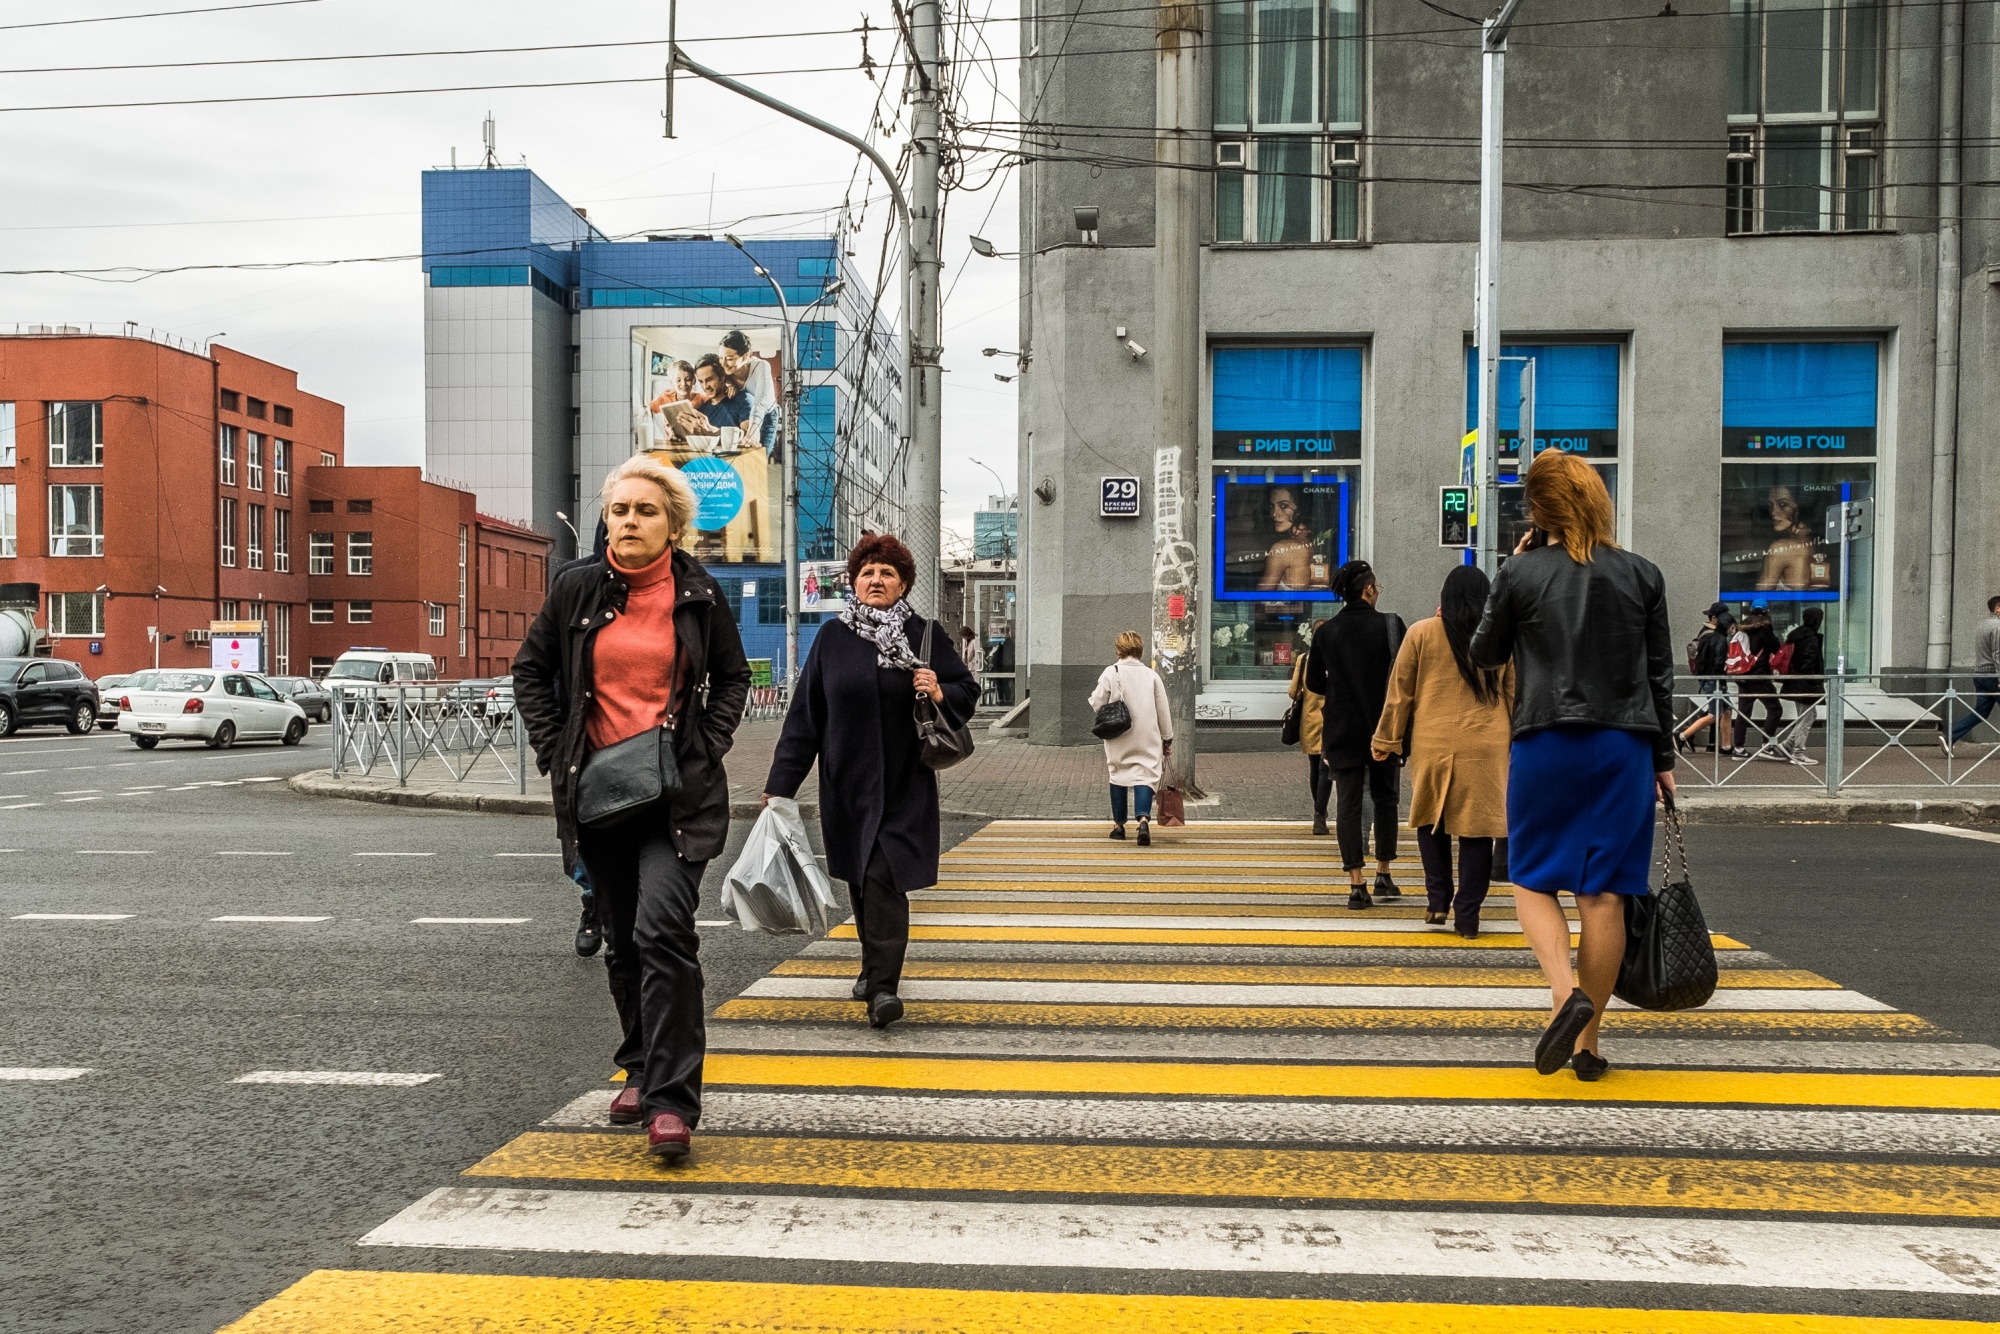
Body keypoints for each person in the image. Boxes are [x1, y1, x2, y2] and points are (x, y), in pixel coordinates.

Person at [512, 454, 751, 1159]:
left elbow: (731, 678)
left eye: (645, 512)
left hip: (678, 795)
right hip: (598, 791)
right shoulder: (575, 589)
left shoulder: (701, 593)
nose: (629, 522)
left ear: (673, 525)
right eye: (620, 510)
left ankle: (672, 1103)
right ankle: (642, 1067)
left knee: (664, 933)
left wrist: (705, 745)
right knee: (622, 938)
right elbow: (532, 671)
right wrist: (556, 750)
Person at [1470, 450, 1676, 1082]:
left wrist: (1513, 567)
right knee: (1607, 891)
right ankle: (1587, 1047)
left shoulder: (1523, 573)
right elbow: (1659, 675)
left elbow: (1484, 652)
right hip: (1624, 747)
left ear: (1539, 510)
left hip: (1546, 740)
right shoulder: (1642, 575)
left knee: (1532, 877)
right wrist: (1663, 759)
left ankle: (1564, 992)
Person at [764, 534, 979, 1029]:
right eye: (867, 573)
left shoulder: (923, 635)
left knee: (884, 877)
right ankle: (870, 965)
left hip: (905, 782)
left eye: (887, 573)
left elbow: (967, 690)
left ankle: (883, 988)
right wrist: (782, 783)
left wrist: (939, 688)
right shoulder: (831, 640)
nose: (876, 580)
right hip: (847, 783)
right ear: (854, 583)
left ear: (903, 584)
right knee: (861, 879)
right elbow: (805, 718)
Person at [1372, 566, 1513, 938]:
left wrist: (1386, 740)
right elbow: (1516, 694)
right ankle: (1468, 915)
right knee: (1478, 830)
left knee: (1429, 818)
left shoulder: (1421, 633)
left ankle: (1437, 902)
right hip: (1488, 743)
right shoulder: (1501, 638)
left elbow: (1400, 691)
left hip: (1433, 741)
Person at [1306, 559, 1407, 909]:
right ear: (1368, 590)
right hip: (1384, 729)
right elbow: (1405, 679)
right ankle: (1384, 873)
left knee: (1347, 805)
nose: (1378, 592)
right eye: (1376, 586)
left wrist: (1342, 686)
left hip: (1342, 730)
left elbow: (1313, 683)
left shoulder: (1326, 632)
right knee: (1386, 799)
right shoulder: (1392, 626)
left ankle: (1356, 884)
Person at [1089, 631, 1174, 846]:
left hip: (1119, 733)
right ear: (1139, 649)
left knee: (1117, 772)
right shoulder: (1151, 675)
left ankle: (1118, 827)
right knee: (1145, 773)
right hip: (1147, 734)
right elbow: (1163, 709)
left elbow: (1098, 702)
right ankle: (1143, 820)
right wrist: (1167, 738)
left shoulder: (1111, 672)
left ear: (1119, 649)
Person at [1287, 619, 1330, 835]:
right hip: (1332, 721)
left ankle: (1318, 813)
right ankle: (1320, 814)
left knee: (1316, 767)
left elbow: (1293, 692)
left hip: (1310, 722)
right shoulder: (1337, 659)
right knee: (1327, 768)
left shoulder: (1304, 660)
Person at [1676, 603, 1735, 756]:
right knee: (1714, 714)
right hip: (1714, 680)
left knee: (1727, 710)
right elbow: (1718, 661)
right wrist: (1720, 678)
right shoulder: (1717, 637)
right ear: (1715, 618)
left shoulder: (1705, 633)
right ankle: (1681, 736)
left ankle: (1726, 746)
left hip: (1709, 679)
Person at [1944, 593, 2000, 757]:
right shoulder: (1998, 627)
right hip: (1992, 677)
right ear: (1998, 608)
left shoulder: (1982, 625)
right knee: (1980, 713)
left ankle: (1949, 738)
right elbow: (1998, 655)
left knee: (1980, 713)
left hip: (1980, 676)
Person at [1769, 605, 1825, 765]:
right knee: (1807, 718)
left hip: (1795, 682)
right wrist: (1815, 682)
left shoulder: (1797, 636)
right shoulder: (1810, 638)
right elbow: (1808, 664)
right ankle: (1798, 752)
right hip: (1806, 684)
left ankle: (1786, 746)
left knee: (1808, 715)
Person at [1732, 604, 1784, 755]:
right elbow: (1776, 647)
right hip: (1759, 676)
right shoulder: (1765, 628)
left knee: (1743, 713)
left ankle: (1739, 748)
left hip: (1742, 676)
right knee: (1775, 709)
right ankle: (1767, 745)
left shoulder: (1742, 628)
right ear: (1766, 611)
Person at [721, 330, 779, 450]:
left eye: (729, 359)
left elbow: (760, 403)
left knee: (760, 457)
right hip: (743, 415)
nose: (723, 364)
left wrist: (753, 432)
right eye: (721, 358)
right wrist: (728, 383)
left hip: (766, 415)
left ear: (746, 356)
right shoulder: (726, 370)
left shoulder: (761, 366)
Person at [1257, 487, 1317, 591]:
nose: (1274, 514)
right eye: (1271, 506)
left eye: (1284, 506)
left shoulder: (1282, 549)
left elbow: (1259, 598)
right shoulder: (1316, 540)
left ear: (1301, 508)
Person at [691, 355, 753, 437]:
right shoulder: (702, 410)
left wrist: (713, 431)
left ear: (722, 376)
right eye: (701, 381)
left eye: (709, 380)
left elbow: (748, 436)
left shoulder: (744, 400)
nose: (705, 386)